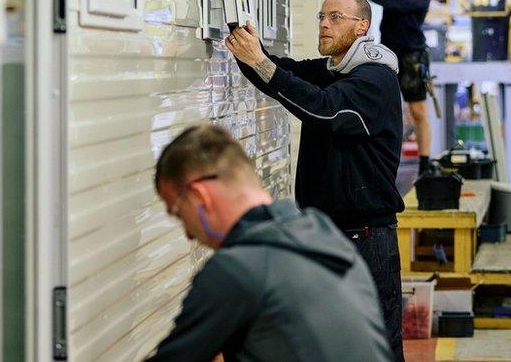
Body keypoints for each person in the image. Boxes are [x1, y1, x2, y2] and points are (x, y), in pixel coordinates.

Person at [224, 0, 406, 361]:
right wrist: (239, 20)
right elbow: (275, 72)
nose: (324, 23)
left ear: (362, 27)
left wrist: (263, 63)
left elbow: (326, 111)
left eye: (336, 17)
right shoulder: (333, 71)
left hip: (364, 239)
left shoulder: (373, 80)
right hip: (328, 232)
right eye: (322, 15)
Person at [147, 125, 392, 362]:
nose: (188, 234)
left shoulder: (236, 269)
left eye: (179, 213)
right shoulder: (322, 231)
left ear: (201, 197)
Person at [358, 0, 435, 175]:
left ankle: (424, 164)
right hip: (388, 52)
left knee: (418, 111)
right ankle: (381, 158)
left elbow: (398, 3)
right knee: (384, 106)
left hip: (412, 55)